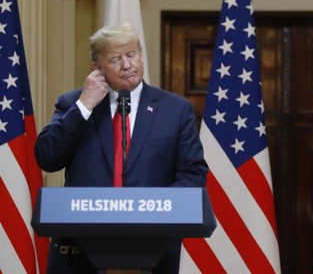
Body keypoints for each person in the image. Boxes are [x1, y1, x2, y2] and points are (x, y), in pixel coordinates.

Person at [35, 23, 208, 274]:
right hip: (79, 251)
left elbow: (193, 174)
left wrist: (156, 209)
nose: (127, 65)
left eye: (132, 54)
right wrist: (84, 106)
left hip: (153, 248)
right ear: (98, 67)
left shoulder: (175, 109)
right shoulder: (73, 103)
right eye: (115, 59)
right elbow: (47, 158)